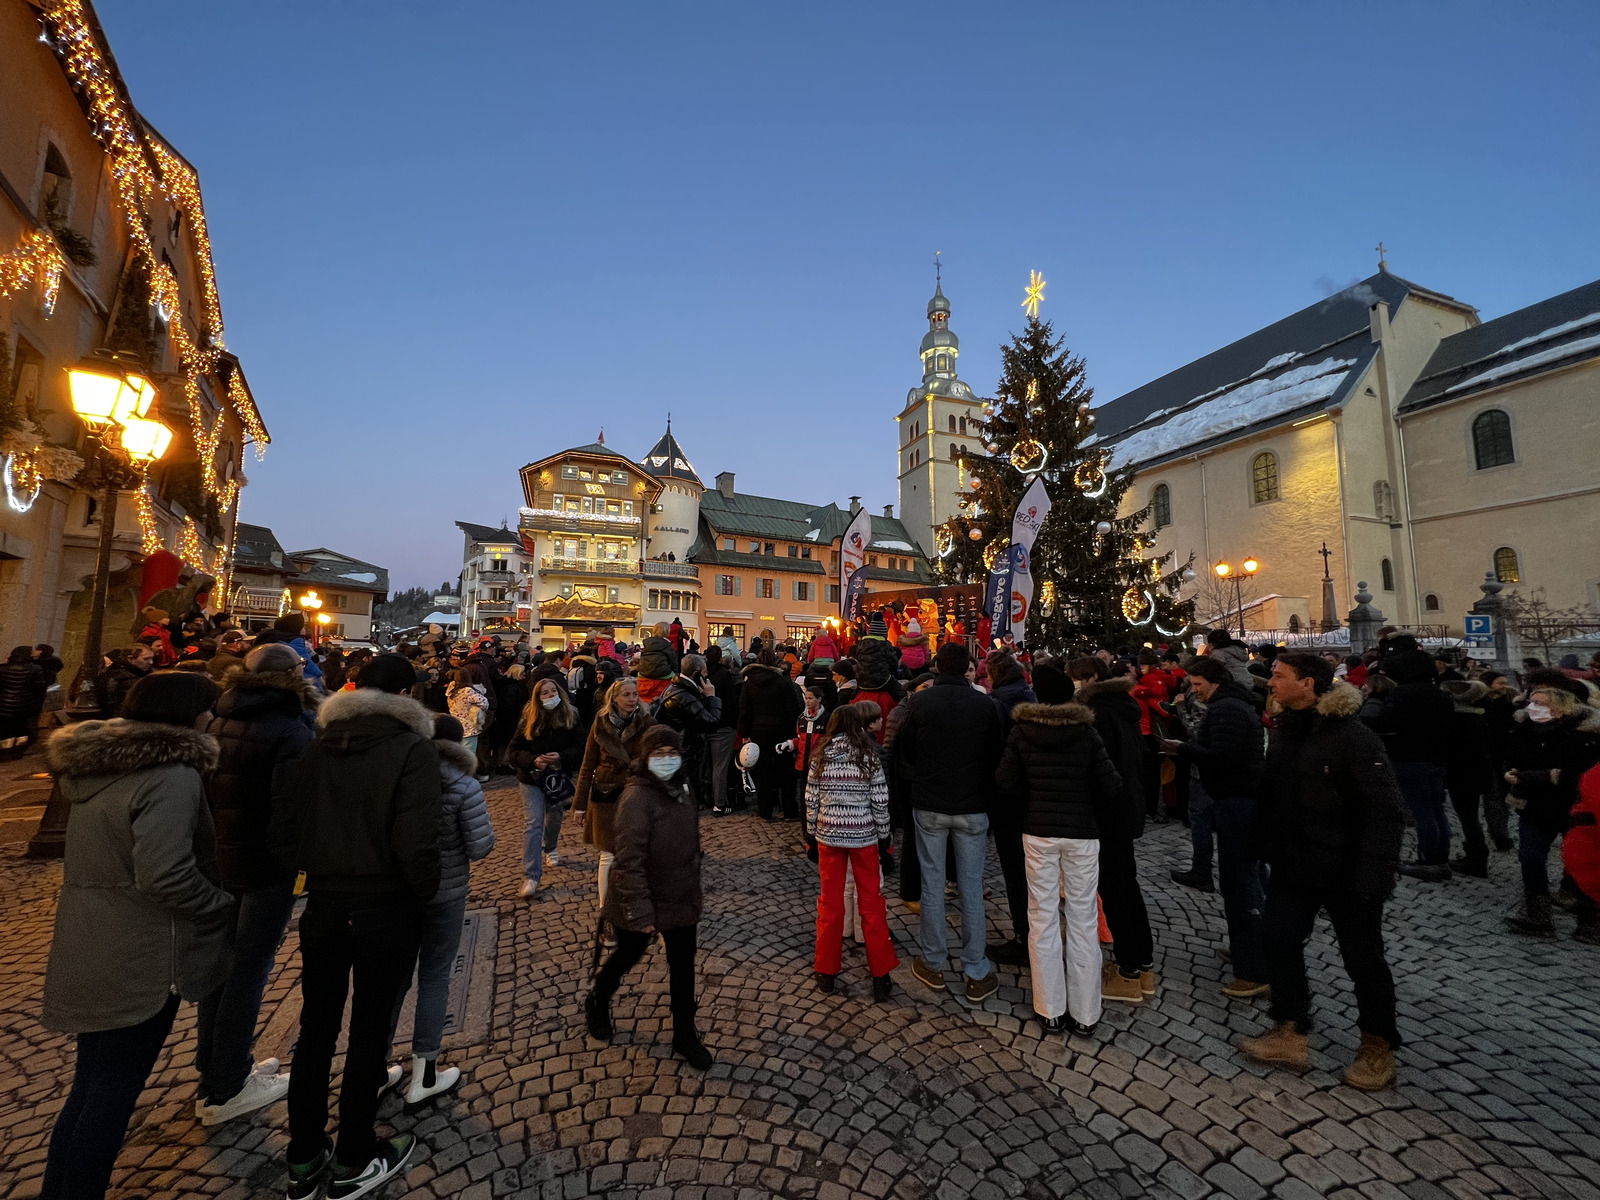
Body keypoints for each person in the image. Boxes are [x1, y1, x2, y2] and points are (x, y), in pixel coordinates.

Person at [40, 671, 233, 1200]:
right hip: (142, 953)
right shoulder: (171, 774)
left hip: (91, 937)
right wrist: (219, 906)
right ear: (192, 714)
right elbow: (166, 873)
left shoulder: (97, 768)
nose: (214, 717)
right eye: (210, 707)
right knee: (109, 1093)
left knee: (91, 1085)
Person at [272, 654, 443, 1199]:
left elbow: (287, 824)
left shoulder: (315, 745)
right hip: (384, 904)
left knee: (316, 1028)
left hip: (324, 904)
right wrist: (423, 895)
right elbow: (416, 841)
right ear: (406, 695)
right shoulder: (412, 749)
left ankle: (303, 1156)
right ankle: (354, 1155)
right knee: (370, 1028)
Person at [1239, 653, 1404, 1091]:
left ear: (1307, 683)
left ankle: (1377, 1044)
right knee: (1278, 940)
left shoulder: (1352, 736)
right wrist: (1255, 846)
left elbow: (1385, 811)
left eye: (1278, 676)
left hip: (1346, 868)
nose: (1270, 682)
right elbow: (1271, 796)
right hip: (1294, 863)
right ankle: (1291, 1029)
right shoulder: (1286, 730)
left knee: (1363, 958)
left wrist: (1375, 876)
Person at [191, 644, 318, 1126]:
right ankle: (228, 1084)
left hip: (224, 857)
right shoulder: (290, 728)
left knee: (226, 965)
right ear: (290, 677)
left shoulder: (218, 719)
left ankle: (213, 1069)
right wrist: (301, 867)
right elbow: (293, 809)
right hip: (266, 865)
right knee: (250, 969)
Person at [995, 679, 1122, 1036]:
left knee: (1042, 915)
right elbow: (1111, 785)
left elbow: (1005, 782)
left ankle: (1049, 1008)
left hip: (1038, 831)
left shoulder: (1022, 732)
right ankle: (1085, 1012)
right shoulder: (1086, 733)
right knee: (1083, 918)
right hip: (1081, 833)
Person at [583, 726, 713, 1069]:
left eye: (673, 753)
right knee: (628, 954)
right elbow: (628, 860)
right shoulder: (636, 798)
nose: (667, 760)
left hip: (680, 894)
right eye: (660, 754)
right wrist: (641, 913)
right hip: (640, 897)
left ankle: (685, 1033)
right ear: (645, 757)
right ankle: (598, 998)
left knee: (683, 967)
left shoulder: (682, 786)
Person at [393, 714, 494, 1106]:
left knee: (394, 980)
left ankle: (374, 1069)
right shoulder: (463, 784)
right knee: (436, 977)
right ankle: (425, 1071)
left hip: (401, 894)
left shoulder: (402, 777)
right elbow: (481, 847)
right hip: (445, 893)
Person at [897, 642, 1005, 1001]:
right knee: (972, 887)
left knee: (932, 884)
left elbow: (905, 750)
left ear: (938, 667)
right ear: (967, 669)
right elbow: (996, 753)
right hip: (973, 805)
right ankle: (976, 969)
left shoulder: (920, 702)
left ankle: (933, 962)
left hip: (930, 801)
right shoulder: (986, 704)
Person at [1161, 656, 1267, 998]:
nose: (1194, 690)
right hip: (1235, 799)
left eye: (1197, 684)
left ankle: (1254, 968)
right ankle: (1249, 951)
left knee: (1241, 884)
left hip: (1238, 801)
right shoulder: (1229, 706)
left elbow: (1221, 756)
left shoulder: (1227, 711)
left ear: (1214, 681)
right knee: (1240, 880)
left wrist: (1183, 749)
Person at [1067, 657, 1157, 1003]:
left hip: (1108, 813)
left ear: (1089, 679)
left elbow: (1100, 768)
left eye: (1076, 680)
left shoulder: (1097, 713)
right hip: (1127, 807)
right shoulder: (1124, 706)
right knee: (1127, 885)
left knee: (1114, 889)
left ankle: (1128, 969)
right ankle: (1143, 964)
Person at [805, 703, 898, 1000]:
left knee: (830, 905)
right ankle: (881, 974)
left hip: (829, 836)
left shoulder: (821, 754)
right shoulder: (868, 755)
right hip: (864, 836)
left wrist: (810, 831)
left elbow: (811, 797)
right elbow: (880, 800)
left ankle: (826, 971)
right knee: (871, 903)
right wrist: (884, 837)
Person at [1502, 684, 1600, 936]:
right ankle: (1538, 915)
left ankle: (1589, 920)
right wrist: (1510, 773)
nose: (1533, 707)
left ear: (1560, 708)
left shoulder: (1584, 736)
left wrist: (1542, 776)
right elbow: (1510, 759)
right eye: (1531, 702)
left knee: (1582, 861)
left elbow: (1587, 776)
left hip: (1575, 807)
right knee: (1531, 858)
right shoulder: (1521, 731)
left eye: (1541, 703)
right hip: (1534, 806)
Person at [1366, 648, 1455, 881]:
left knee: (1422, 812)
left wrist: (1360, 718)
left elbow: (1388, 723)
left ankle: (1430, 861)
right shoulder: (1439, 693)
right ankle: (1441, 857)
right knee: (1436, 810)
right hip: (1436, 757)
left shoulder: (1405, 693)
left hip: (1410, 757)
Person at [575, 677, 656, 930]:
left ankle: (641, 909)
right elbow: (588, 764)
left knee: (640, 855)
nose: (632, 699)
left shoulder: (647, 723)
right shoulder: (600, 725)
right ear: (614, 698)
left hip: (635, 794)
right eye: (627, 695)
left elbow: (657, 760)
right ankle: (607, 913)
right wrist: (579, 804)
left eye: (635, 694)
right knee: (608, 855)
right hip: (606, 794)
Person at [507, 676, 585, 898]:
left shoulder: (571, 714)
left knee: (554, 816)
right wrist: (533, 760)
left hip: (557, 778)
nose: (550, 696)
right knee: (533, 823)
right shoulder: (527, 718)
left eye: (553, 691)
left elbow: (581, 746)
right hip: (532, 778)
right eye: (545, 693)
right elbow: (513, 751)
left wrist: (562, 756)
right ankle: (531, 875)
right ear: (537, 698)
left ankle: (550, 847)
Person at [738, 647, 803, 820]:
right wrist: (793, 732)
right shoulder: (783, 681)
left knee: (763, 773)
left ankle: (765, 810)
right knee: (786, 773)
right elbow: (792, 708)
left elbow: (744, 710)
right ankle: (789, 810)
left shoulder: (749, 682)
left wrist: (745, 733)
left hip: (758, 731)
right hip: (781, 730)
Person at [1439, 679, 1494, 877]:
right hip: (1475, 773)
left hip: (1463, 775)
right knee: (1470, 817)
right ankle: (1476, 856)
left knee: (1469, 818)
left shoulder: (1460, 719)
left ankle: (1476, 859)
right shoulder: (1478, 715)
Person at [656, 654, 723, 808]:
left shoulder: (675, 688)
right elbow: (712, 722)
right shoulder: (685, 697)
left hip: (684, 746)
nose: (707, 676)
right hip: (687, 748)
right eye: (705, 673)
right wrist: (712, 697)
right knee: (689, 786)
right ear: (697, 673)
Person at [703, 646, 741, 815]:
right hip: (723, 724)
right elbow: (731, 702)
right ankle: (719, 803)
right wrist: (733, 723)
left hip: (704, 723)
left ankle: (705, 799)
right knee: (720, 766)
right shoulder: (725, 675)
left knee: (706, 765)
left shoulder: (702, 675)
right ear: (720, 658)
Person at [0, 644, 48, 755]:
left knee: (4, 730)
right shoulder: (35, 669)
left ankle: (4, 752)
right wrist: (36, 707)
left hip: (3, 706)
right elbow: (40, 691)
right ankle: (16, 752)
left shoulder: (2, 668)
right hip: (24, 707)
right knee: (20, 730)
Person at [446, 666, 490, 770]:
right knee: (469, 757)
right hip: (469, 727)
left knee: (459, 756)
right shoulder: (467, 691)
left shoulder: (450, 692)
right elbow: (485, 703)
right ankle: (467, 778)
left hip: (456, 726)